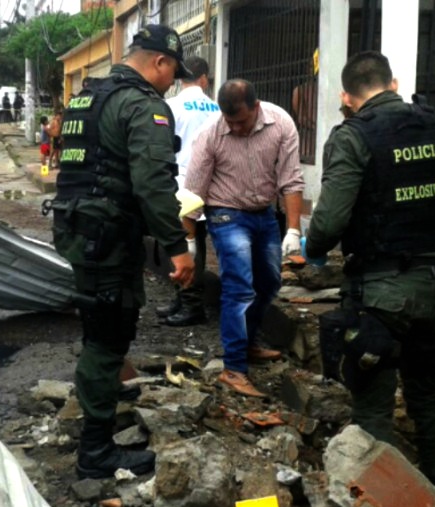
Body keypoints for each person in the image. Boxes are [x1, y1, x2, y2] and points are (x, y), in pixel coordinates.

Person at [303, 51, 435, 489]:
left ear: (348, 96)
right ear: (393, 84)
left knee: (373, 403)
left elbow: (331, 220)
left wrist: (315, 248)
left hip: (382, 296)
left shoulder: (353, 136)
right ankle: (433, 486)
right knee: (427, 390)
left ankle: (382, 501)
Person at [48, 24, 195, 479]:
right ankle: (96, 452)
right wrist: (178, 248)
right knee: (108, 335)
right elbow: (153, 185)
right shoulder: (142, 105)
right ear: (160, 62)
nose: (172, 82)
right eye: (173, 73)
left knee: (100, 327)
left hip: (80, 230)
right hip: (108, 237)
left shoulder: (87, 98)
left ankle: (100, 416)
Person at [185, 79, 304, 397]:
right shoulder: (210, 133)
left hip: (263, 213)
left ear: (256, 107)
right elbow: (193, 190)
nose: (234, 128)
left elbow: (291, 179)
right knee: (239, 287)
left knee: (269, 283)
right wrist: (188, 240)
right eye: (229, 121)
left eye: (241, 121)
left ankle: (248, 343)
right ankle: (234, 368)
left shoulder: (281, 124)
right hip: (225, 212)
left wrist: (294, 229)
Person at [159, 56, 221, 327]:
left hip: (180, 185)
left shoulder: (169, 106)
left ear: (181, 76)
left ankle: (191, 303)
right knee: (198, 246)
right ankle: (184, 299)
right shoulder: (218, 108)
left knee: (180, 244)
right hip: (210, 186)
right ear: (204, 79)